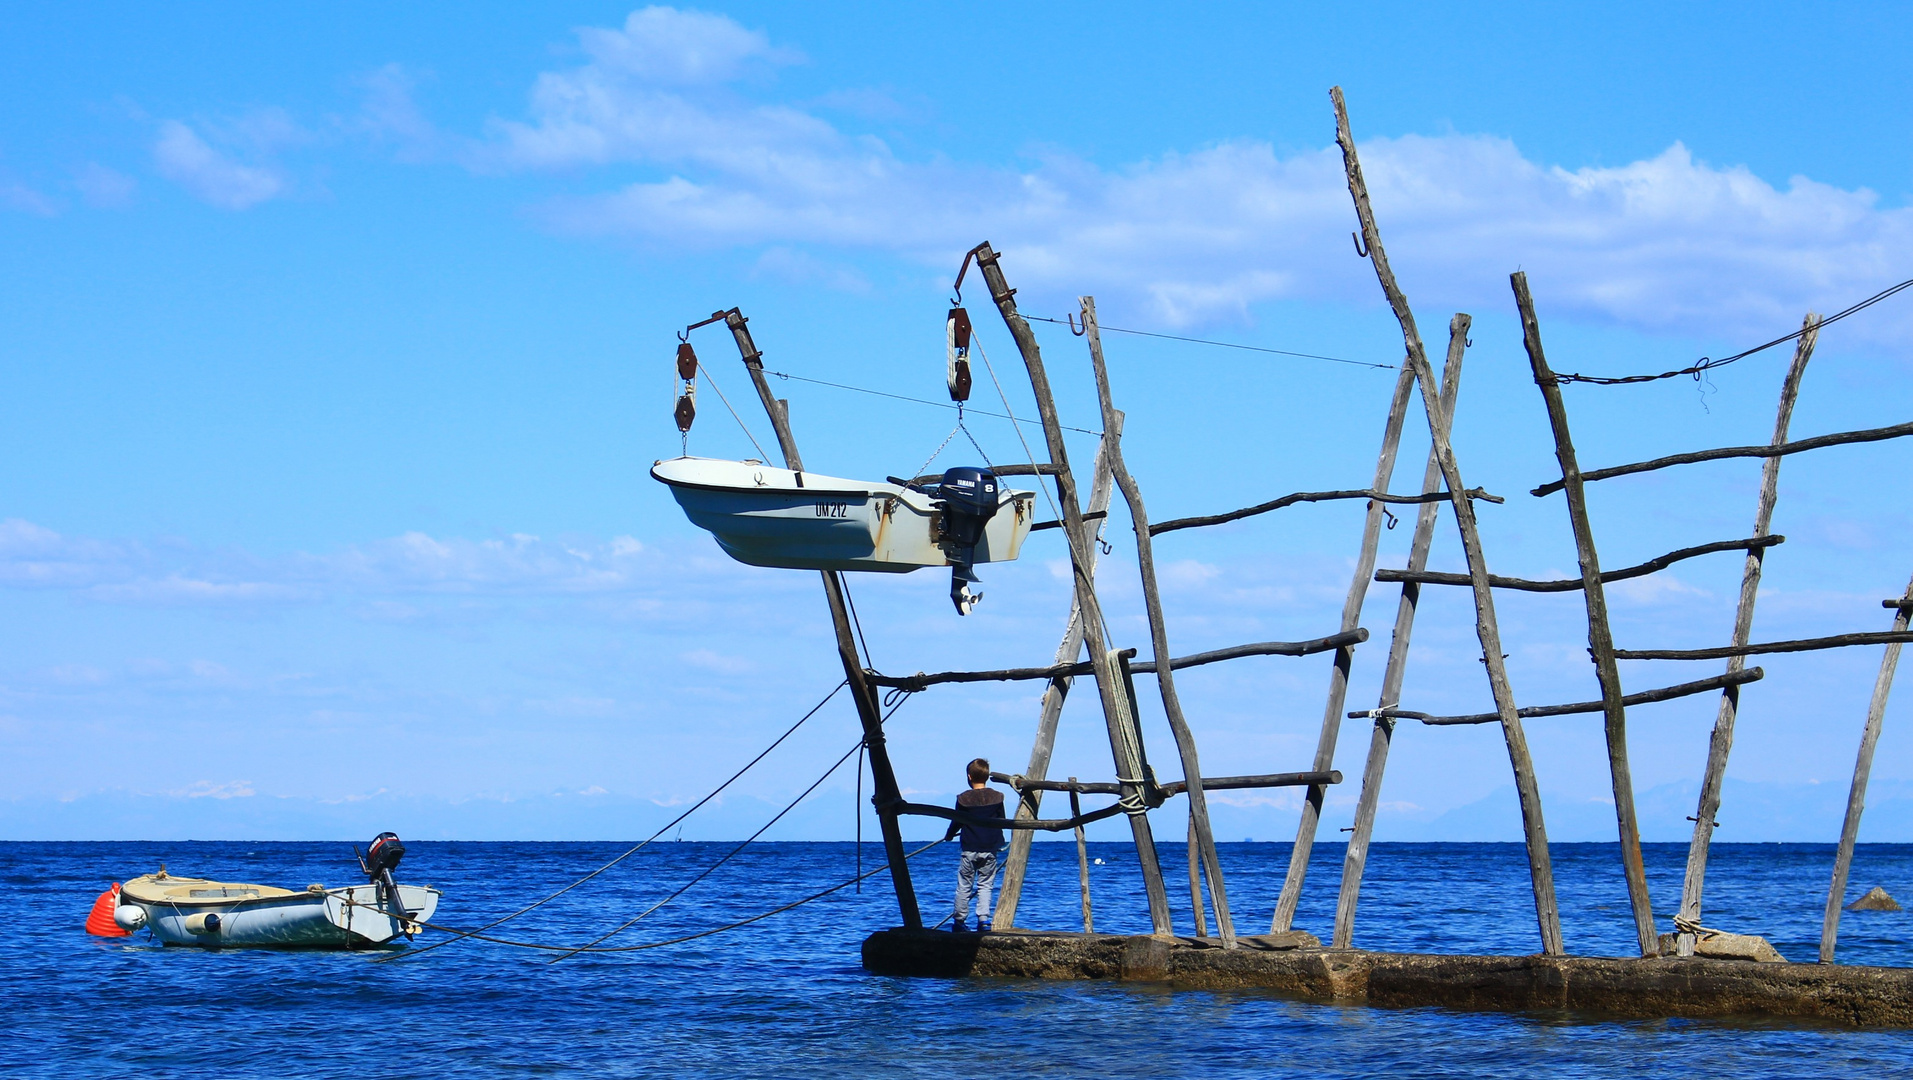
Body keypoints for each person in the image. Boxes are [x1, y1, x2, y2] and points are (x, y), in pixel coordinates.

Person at [943, 757, 1005, 932]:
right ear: (986, 777)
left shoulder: (963, 799)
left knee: (964, 886)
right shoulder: (997, 797)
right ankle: (983, 920)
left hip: (969, 848)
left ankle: (960, 921)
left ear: (969, 777)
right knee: (985, 885)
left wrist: (949, 835)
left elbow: (957, 821)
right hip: (989, 848)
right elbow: (1001, 820)